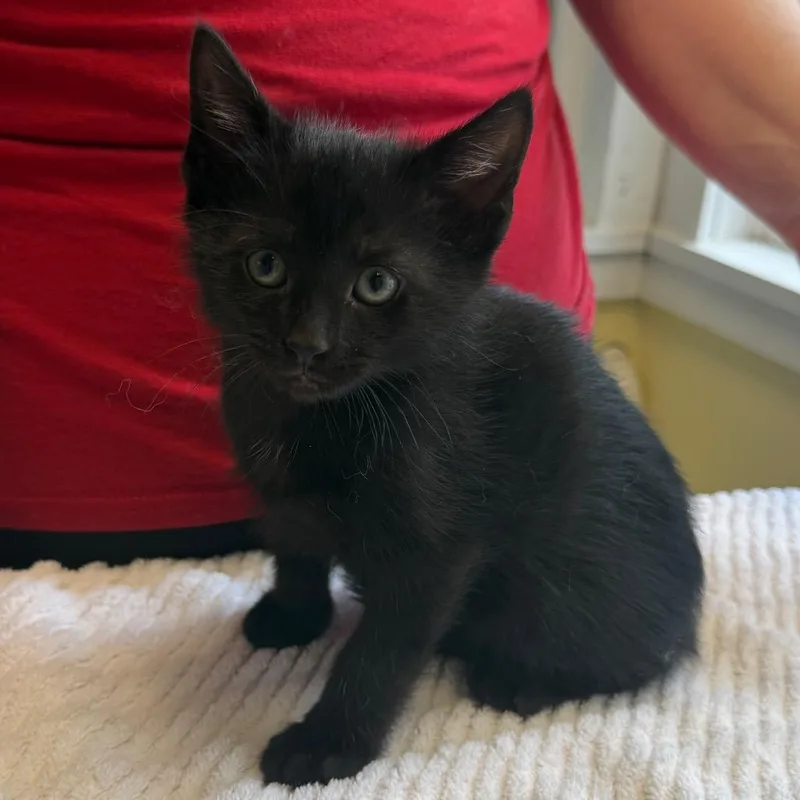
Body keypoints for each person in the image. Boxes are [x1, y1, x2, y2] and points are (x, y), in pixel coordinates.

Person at [1, 0, 798, 566]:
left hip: (479, 509)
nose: (308, 342)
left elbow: (748, 88)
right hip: (54, 529)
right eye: (267, 269)